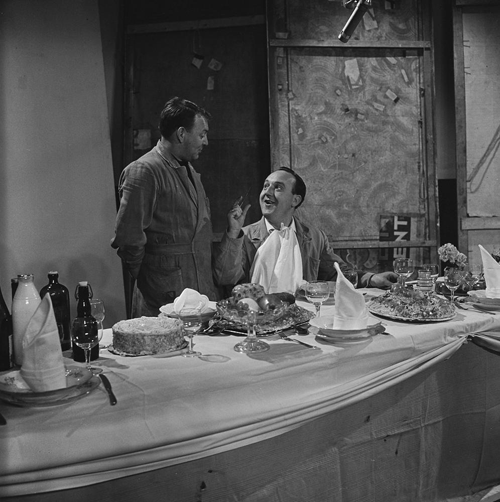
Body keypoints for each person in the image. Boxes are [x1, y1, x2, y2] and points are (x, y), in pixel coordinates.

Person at [111, 97, 218, 317]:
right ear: (181, 134)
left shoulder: (189, 170)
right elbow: (128, 239)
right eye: (202, 135)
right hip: (162, 300)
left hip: (197, 297)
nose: (206, 142)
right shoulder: (145, 171)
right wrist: (154, 278)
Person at [213, 167, 397, 293]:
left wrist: (372, 279)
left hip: (301, 321)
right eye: (265, 186)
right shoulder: (242, 236)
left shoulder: (314, 237)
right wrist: (233, 233)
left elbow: (337, 273)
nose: (267, 192)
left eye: (277, 188)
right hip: (254, 323)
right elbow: (225, 278)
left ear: (295, 200)